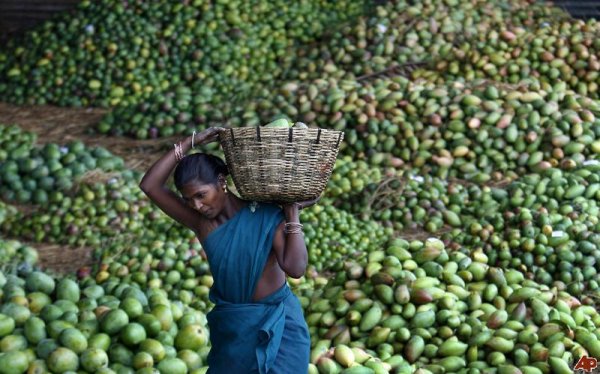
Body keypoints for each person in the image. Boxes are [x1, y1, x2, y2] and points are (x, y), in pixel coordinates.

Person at [139, 127, 316, 373]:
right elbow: (150, 185)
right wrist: (191, 142)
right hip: (234, 330)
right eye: (188, 199)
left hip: (279, 326)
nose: (197, 205)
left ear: (222, 182)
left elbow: (296, 269)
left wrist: (291, 212)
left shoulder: (267, 216)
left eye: (201, 195)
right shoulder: (203, 224)